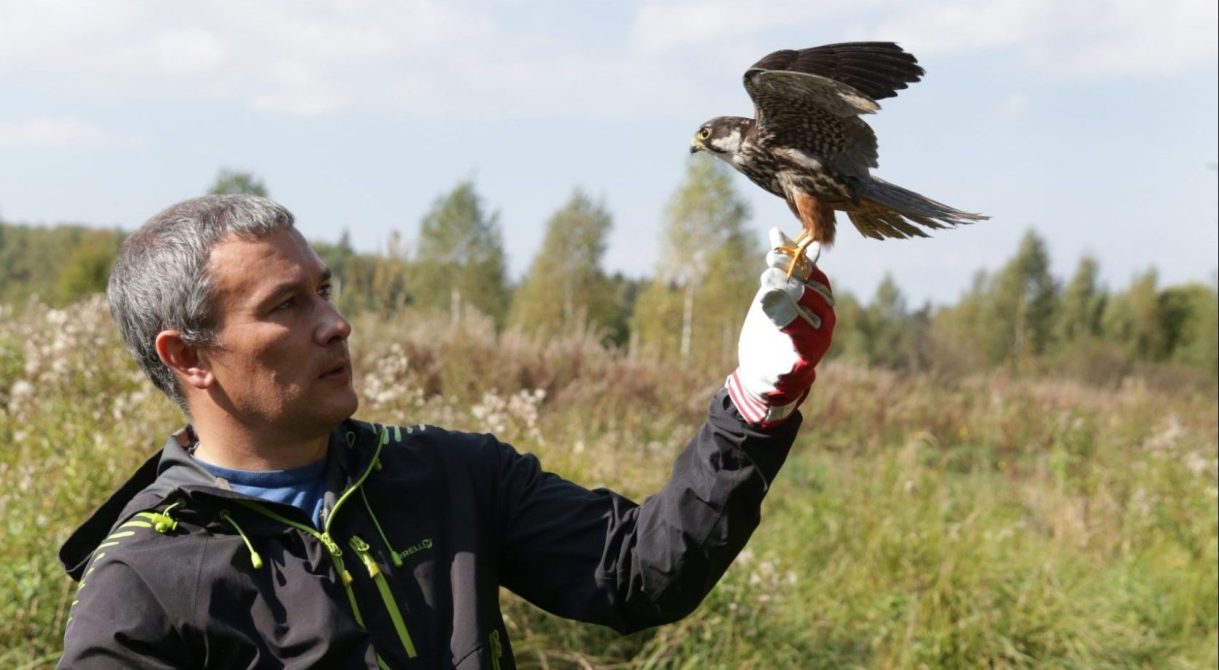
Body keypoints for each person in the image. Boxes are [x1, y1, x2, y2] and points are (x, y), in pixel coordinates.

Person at [58, 194, 835, 669]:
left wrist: (755, 407)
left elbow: (637, 574)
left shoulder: (449, 473)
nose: (336, 324)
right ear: (189, 356)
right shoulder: (144, 583)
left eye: (324, 291)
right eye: (287, 306)